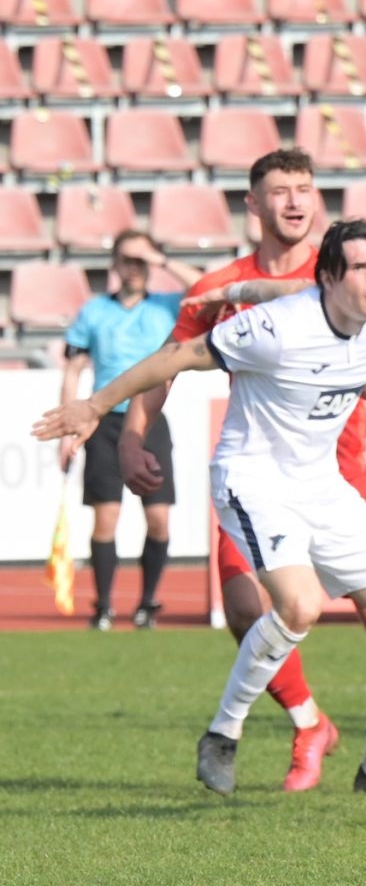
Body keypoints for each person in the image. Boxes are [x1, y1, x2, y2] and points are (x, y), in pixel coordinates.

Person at [122, 148, 366, 793]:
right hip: (260, 476)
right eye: (280, 190)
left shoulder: (348, 270)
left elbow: (316, 304)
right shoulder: (216, 289)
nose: (295, 201)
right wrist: (130, 431)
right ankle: (306, 722)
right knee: (247, 607)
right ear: (253, 205)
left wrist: (251, 292)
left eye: (306, 189)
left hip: (336, 469)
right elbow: (172, 358)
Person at [38, 221, 366, 798]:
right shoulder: (277, 330)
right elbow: (177, 355)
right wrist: (98, 406)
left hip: (320, 483)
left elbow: (362, 364)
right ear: (329, 277)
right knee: (299, 606)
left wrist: (358, 364)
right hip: (254, 480)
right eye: (360, 267)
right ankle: (222, 735)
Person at [60, 230, 203, 630]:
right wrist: (68, 428)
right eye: (128, 259)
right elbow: (72, 370)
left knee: (159, 518)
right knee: (106, 517)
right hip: (105, 421)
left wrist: (159, 259)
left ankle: (147, 603)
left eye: (141, 261)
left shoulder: (167, 305)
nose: (135, 268)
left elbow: (208, 288)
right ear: (115, 265)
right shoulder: (93, 311)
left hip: (151, 420)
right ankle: (104, 606)